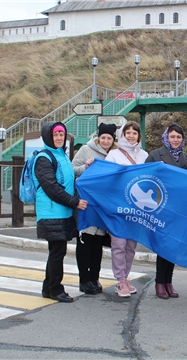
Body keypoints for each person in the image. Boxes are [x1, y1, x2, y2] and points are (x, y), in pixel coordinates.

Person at [34, 121, 88, 303]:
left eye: (61, 134)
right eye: (55, 134)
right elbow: (52, 188)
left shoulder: (62, 155)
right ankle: (56, 289)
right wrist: (74, 202)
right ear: (48, 136)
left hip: (62, 211)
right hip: (51, 212)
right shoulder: (44, 158)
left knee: (57, 251)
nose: (59, 138)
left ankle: (48, 287)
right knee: (57, 251)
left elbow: (68, 181)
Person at [145, 124, 187, 299]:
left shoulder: (186, 158)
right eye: (172, 136)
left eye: (178, 137)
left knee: (173, 245)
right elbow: (145, 177)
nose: (176, 140)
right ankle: (159, 282)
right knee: (162, 246)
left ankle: (169, 281)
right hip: (161, 206)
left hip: (178, 208)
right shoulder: (156, 155)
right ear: (166, 137)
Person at [72, 123, 117, 295]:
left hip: (103, 206)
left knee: (98, 244)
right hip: (86, 204)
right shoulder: (85, 150)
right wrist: (86, 167)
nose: (106, 141)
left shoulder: (114, 155)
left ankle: (94, 278)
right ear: (98, 137)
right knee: (85, 242)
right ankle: (84, 280)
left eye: (109, 138)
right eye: (103, 137)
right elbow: (73, 169)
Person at [105, 121, 149, 298]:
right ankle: (120, 279)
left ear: (139, 136)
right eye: (127, 133)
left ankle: (126, 277)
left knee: (131, 246)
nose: (131, 136)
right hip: (118, 207)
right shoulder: (113, 155)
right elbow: (106, 177)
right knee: (118, 244)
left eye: (134, 133)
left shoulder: (144, 155)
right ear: (122, 135)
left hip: (137, 207)